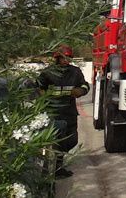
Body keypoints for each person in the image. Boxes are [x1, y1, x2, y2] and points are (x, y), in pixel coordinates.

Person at [37, 45, 89, 179]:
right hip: (54, 112)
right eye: (63, 58)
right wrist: (43, 96)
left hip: (70, 112)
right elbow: (37, 86)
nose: (66, 60)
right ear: (57, 58)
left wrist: (81, 91)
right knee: (58, 140)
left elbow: (85, 85)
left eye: (68, 58)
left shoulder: (75, 72)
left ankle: (57, 161)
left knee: (72, 140)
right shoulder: (48, 72)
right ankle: (56, 169)